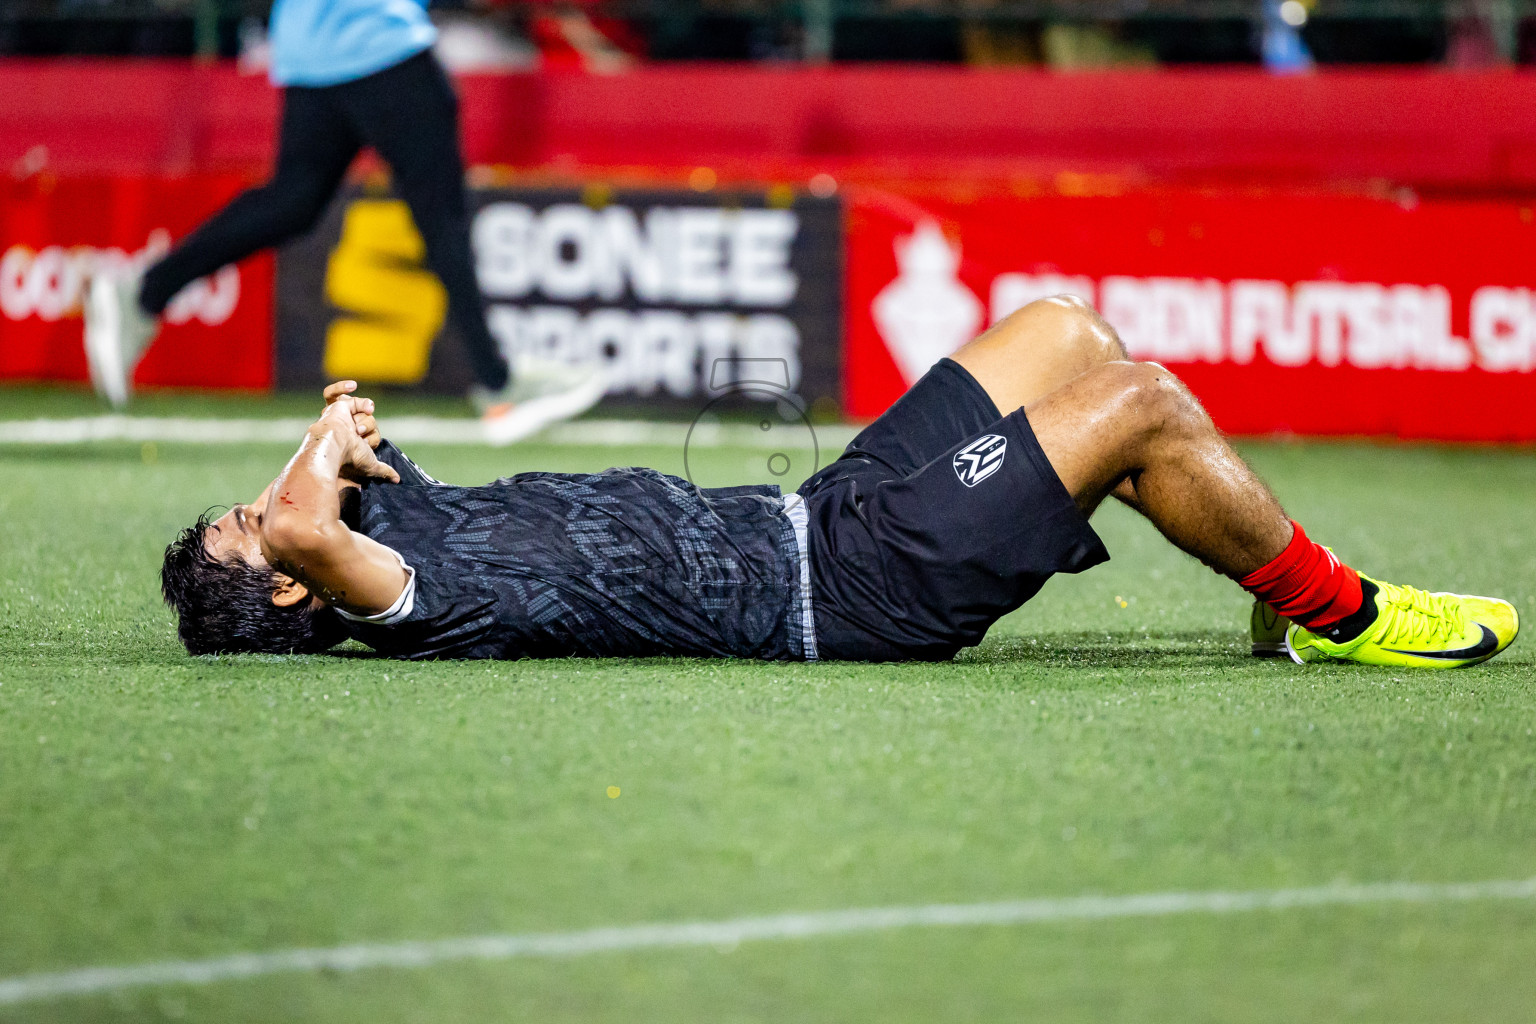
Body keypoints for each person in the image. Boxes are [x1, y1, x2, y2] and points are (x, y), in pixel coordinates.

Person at [161, 295, 1519, 667]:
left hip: (823, 512)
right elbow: (299, 512)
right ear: (287, 584)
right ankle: (1345, 610)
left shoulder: (403, 530)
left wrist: (354, 436)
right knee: (1143, 400)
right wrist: (321, 438)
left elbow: (331, 490)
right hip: (855, 587)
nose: (266, 504)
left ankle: (1255, 562)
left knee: (1068, 333)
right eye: (250, 531)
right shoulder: (393, 598)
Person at [83, 0, 603, 445]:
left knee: (293, 201)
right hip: (379, 38)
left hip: (311, 45)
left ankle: (144, 292)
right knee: (440, 215)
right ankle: (499, 384)